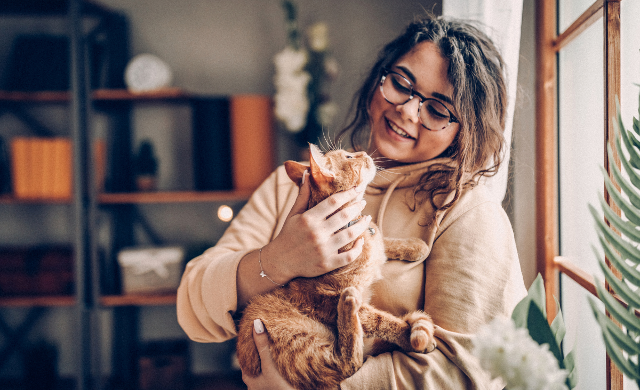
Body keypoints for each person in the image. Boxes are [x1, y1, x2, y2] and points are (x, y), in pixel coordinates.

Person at [177, 15, 527, 389]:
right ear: (380, 78)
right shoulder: (302, 181)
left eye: (438, 110)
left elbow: (464, 370)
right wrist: (279, 259)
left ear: (465, 131)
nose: (408, 110)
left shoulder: (466, 212)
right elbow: (192, 309)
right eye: (401, 84)